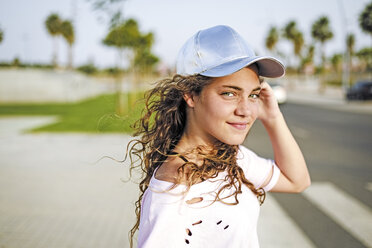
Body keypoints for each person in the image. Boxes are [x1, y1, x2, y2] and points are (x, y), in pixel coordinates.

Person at [127, 25, 311, 248]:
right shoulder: (173, 193)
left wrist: (272, 117)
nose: (246, 110)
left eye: (253, 95)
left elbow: (297, 181)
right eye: (229, 93)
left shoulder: (232, 157)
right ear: (191, 95)